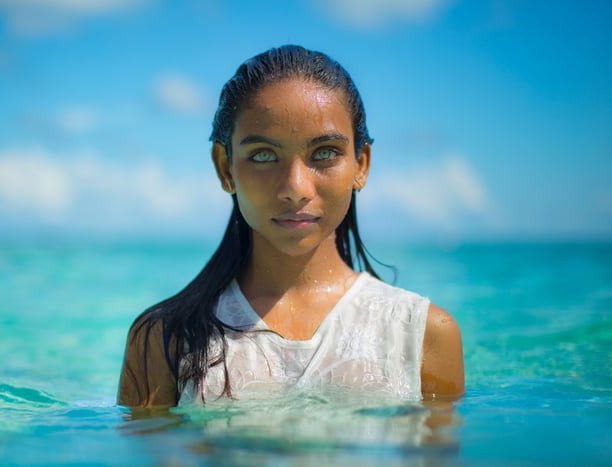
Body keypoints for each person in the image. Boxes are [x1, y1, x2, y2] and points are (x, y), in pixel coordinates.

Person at [118, 45, 464, 408]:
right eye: (264, 155)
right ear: (225, 167)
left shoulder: (422, 334)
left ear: (361, 164)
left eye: (325, 152)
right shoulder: (165, 339)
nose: (296, 188)